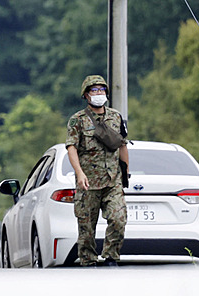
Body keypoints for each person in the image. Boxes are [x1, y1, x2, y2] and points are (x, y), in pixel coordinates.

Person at [66, 75, 128, 267]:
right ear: (86, 95)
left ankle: (111, 257)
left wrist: (125, 173)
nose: (99, 93)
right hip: (89, 182)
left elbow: (122, 145)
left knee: (118, 219)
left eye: (102, 90)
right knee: (86, 229)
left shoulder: (115, 117)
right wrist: (79, 173)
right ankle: (89, 262)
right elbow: (71, 148)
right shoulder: (77, 120)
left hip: (112, 181)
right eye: (94, 90)